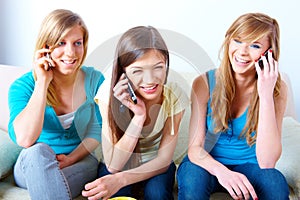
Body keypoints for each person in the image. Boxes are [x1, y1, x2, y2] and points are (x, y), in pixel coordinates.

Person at [177, 12, 289, 200]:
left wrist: (266, 94)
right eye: (237, 41)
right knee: (192, 176)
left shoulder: (277, 90)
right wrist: (223, 173)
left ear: (268, 53)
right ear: (228, 41)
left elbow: (267, 162)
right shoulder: (203, 83)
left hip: (251, 166)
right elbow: (195, 149)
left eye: (254, 45)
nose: (242, 52)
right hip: (206, 165)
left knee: (275, 181)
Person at [82, 26, 190, 200]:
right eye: (138, 71)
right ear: (123, 72)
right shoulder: (107, 94)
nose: (150, 80)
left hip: (155, 165)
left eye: (158, 67)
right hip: (119, 163)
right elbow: (114, 165)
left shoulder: (174, 95)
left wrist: (121, 180)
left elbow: (163, 160)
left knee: (157, 194)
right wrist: (138, 117)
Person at [8, 9, 104, 200]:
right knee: (38, 150)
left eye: (77, 43)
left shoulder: (95, 80)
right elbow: (25, 140)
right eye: (61, 43)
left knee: (71, 175)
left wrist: (72, 158)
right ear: (45, 46)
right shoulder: (22, 86)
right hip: (32, 165)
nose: (71, 52)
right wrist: (42, 82)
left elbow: (96, 130)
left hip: (80, 161)